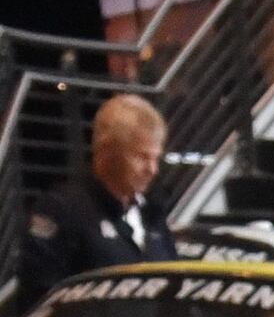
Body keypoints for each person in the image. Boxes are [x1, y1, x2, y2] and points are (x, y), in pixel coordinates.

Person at [18, 93, 179, 298]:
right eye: (141, 157)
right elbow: (40, 300)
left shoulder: (152, 215)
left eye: (156, 158)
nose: (152, 169)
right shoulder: (62, 210)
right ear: (107, 152)